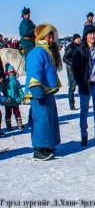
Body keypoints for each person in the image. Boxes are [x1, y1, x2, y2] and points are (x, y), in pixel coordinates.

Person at [25, 23, 62, 160]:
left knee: (50, 119)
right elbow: (34, 71)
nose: (51, 39)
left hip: (48, 92)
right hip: (39, 92)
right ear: (42, 36)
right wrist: (36, 88)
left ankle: (48, 145)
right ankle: (39, 149)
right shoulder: (37, 52)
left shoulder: (47, 51)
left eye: (52, 36)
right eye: (49, 36)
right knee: (42, 120)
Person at [72, 24, 95, 146]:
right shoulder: (80, 50)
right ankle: (84, 135)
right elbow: (75, 69)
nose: (93, 36)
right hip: (85, 86)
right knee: (84, 111)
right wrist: (80, 83)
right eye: (90, 34)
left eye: (94, 34)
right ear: (85, 35)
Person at [2, 63, 26, 131]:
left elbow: (2, 89)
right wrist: (23, 97)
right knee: (17, 112)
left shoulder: (5, 82)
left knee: (8, 113)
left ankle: (8, 125)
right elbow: (20, 90)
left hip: (8, 101)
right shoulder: (16, 82)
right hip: (15, 100)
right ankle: (20, 124)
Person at [62, 33, 81, 110]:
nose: (79, 39)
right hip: (74, 71)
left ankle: (83, 103)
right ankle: (71, 105)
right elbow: (65, 58)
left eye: (79, 38)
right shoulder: (71, 47)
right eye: (77, 38)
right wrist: (72, 64)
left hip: (81, 70)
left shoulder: (81, 47)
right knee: (72, 88)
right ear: (74, 40)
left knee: (83, 87)